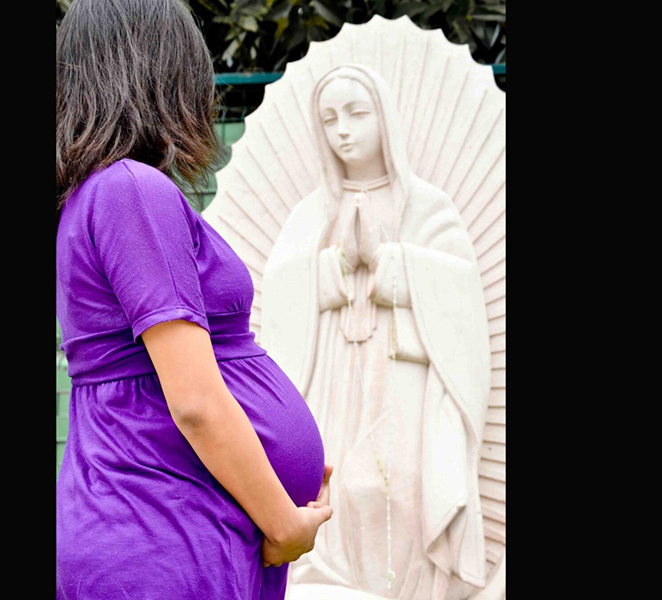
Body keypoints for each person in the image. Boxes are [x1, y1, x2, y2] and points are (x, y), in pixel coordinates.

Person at [55, 1, 333, 598]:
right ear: (164, 67)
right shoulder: (131, 190)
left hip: (167, 523)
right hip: (164, 533)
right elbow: (197, 402)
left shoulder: (95, 195)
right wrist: (285, 524)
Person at [261, 65, 491, 599]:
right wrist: (335, 267)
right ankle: (334, 579)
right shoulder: (313, 213)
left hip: (404, 377)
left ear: (383, 117)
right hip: (333, 376)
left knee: (403, 484)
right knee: (340, 482)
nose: (343, 130)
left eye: (357, 113)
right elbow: (281, 290)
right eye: (330, 119)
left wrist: (392, 263)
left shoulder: (426, 206)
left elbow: (460, 295)